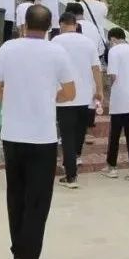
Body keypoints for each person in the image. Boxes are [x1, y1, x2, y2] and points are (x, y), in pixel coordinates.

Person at [0, 5, 76, 259]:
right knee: (37, 201)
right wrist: (50, 98)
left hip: (12, 134)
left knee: (16, 196)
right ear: (50, 28)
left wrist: (13, 102)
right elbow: (70, 92)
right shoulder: (57, 52)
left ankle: (18, 254)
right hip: (42, 137)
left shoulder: (8, 49)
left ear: (24, 24)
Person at [52, 12, 103, 189]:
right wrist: (100, 90)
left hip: (65, 96)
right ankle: (75, 159)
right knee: (79, 133)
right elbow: (96, 68)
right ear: (75, 24)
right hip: (85, 96)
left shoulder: (56, 41)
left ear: (61, 24)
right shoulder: (88, 42)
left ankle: (71, 175)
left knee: (67, 135)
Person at [103, 27, 129, 182]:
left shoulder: (114, 51)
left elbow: (113, 75)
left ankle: (112, 167)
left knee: (114, 135)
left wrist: (109, 90)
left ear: (112, 39)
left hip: (120, 100)